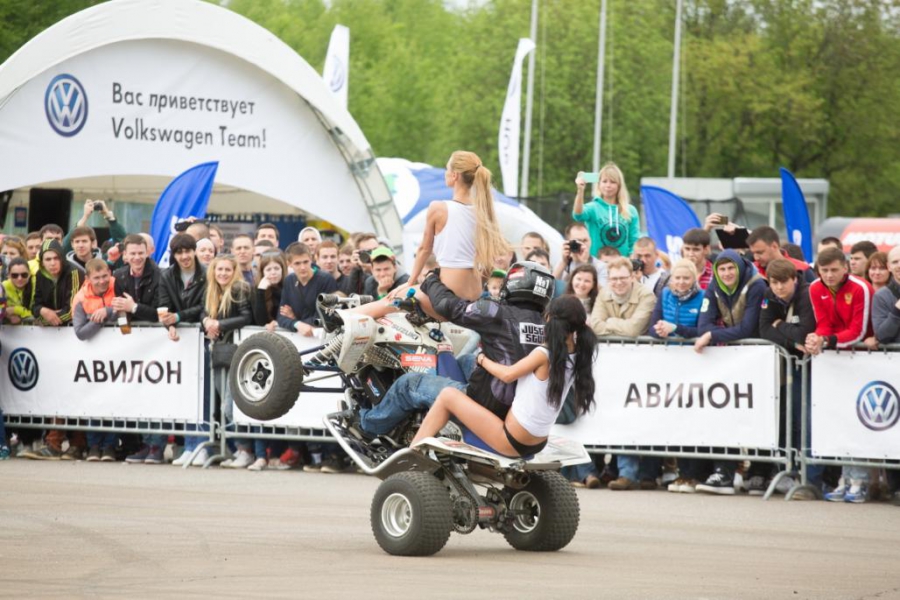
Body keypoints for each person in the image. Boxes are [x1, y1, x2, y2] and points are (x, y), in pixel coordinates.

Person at [355, 262, 552, 437]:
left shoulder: (496, 312)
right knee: (467, 360)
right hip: (515, 404)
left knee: (408, 384)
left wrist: (432, 279)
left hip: (485, 404)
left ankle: (367, 426)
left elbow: (448, 306)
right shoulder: (545, 324)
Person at [411, 295, 596, 458]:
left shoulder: (544, 354)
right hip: (539, 440)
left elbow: (507, 375)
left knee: (447, 395)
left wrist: (482, 359)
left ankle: (413, 453)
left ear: (550, 319)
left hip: (512, 439)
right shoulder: (578, 354)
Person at [693, 249, 767, 495]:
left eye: (730, 268)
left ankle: (760, 472)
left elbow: (749, 328)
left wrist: (714, 335)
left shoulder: (756, 285)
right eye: (721, 269)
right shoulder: (714, 285)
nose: (725, 273)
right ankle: (724, 471)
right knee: (727, 413)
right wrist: (711, 332)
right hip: (734, 359)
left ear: (739, 267)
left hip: (760, 357)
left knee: (762, 414)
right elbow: (703, 324)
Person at [392, 150, 509, 304]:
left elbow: (424, 249)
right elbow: (487, 264)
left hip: (449, 294)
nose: (445, 173)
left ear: (454, 175)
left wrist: (410, 281)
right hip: (475, 292)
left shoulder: (439, 208)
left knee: (390, 300)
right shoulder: (483, 211)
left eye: (447, 169)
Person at [806, 248, 875, 503]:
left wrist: (827, 340)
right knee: (841, 418)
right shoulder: (815, 287)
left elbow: (858, 330)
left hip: (862, 359)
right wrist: (818, 337)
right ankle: (844, 479)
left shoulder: (860, 288)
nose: (829, 275)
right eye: (824, 271)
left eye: (834, 270)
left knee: (862, 419)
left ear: (845, 267)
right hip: (836, 359)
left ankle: (860, 480)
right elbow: (823, 322)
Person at [757, 258, 820, 497]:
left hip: (811, 365)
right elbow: (763, 329)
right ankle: (788, 470)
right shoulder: (768, 294)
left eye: (784, 282)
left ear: (794, 279)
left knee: (805, 419)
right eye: (774, 282)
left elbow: (806, 332)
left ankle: (811, 477)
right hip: (788, 363)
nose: (779, 287)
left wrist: (779, 324)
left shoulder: (806, 294)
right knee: (787, 417)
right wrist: (791, 339)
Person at [201, 255, 254, 468]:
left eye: (227, 270)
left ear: (234, 272)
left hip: (236, 354)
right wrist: (206, 320)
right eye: (219, 269)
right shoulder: (211, 290)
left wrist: (219, 324)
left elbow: (246, 317)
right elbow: (202, 312)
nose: (222, 273)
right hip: (218, 354)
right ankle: (233, 449)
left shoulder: (239, 289)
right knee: (223, 406)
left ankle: (245, 450)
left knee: (232, 407)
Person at [71, 259, 122, 463]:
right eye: (96, 278)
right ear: (88, 278)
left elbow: (124, 313)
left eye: (104, 276)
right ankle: (93, 444)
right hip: (93, 359)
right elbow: (80, 332)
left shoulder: (119, 286)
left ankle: (109, 444)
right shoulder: (81, 298)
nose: (102, 281)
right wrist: (100, 319)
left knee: (114, 399)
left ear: (109, 273)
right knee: (95, 398)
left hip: (119, 355)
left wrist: (108, 311)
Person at [573, 162, 640, 258]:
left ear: (619, 185)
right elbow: (578, 215)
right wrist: (580, 191)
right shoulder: (593, 208)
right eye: (604, 181)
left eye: (612, 182)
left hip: (621, 266)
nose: (608, 185)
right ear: (599, 184)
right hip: (597, 263)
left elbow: (634, 240)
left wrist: (631, 260)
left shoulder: (630, 210)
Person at [277, 242, 338, 336]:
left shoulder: (326, 279)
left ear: (311, 259)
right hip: (297, 336)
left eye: (306, 262)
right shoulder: (289, 280)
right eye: (297, 263)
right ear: (289, 264)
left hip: (322, 337)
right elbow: (281, 316)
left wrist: (294, 319)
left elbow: (325, 317)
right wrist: (296, 324)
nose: (303, 267)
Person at [157, 233, 207, 344]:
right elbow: (164, 306)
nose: (184, 256)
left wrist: (179, 316)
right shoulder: (166, 275)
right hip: (178, 336)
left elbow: (205, 306)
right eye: (179, 252)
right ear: (174, 255)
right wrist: (170, 325)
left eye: (187, 251)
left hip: (203, 334)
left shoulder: (208, 274)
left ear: (194, 251)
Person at [590, 257, 655, 338]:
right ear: (608, 279)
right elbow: (595, 326)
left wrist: (609, 321)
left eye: (623, 278)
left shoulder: (646, 295)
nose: (619, 282)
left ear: (632, 277)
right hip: (609, 348)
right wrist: (624, 328)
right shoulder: (603, 293)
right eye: (614, 278)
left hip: (639, 348)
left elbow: (633, 330)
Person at [32, 239, 83, 327]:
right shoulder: (40, 274)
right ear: (42, 262)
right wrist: (43, 310)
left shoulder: (74, 272)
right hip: (49, 333)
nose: (52, 263)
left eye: (56, 258)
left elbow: (72, 310)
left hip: (73, 328)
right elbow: (35, 305)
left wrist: (44, 321)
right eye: (48, 259)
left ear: (62, 258)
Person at [649, 259, 703, 341]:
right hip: (667, 350)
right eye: (677, 278)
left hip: (692, 350)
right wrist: (659, 331)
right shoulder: (664, 293)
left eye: (686, 278)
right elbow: (652, 328)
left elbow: (702, 331)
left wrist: (675, 328)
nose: (681, 282)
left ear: (694, 279)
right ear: (672, 278)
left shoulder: (703, 296)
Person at [113, 234, 160, 324]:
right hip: (130, 333)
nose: (137, 257)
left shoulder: (160, 276)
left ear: (147, 253)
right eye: (133, 253)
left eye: (141, 253)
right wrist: (124, 329)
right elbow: (121, 310)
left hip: (156, 331)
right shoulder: (118, 276)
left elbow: (159, 313)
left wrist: (134, 307)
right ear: (125, 254)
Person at [747, 226, 815, 283]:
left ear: (774, 246)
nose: (756, 257)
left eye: (760, 252)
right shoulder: (750, 270)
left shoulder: (801, 269)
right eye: (753, 253)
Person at [553, 222, 609, 288]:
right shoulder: (562, 264)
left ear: (590, 241)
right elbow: (551, 286)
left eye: (585, 240)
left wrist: (584, 264)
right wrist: (564, 262)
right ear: (568, 243)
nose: (582, 244)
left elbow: (601, 292)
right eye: (578, 241)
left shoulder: (601, 266)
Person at [252, 251, 287, 333]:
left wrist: (278, 322)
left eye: (276, 268)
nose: (273, 273)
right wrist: (261, 291)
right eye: (268, 269)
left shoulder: (290, 287)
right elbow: (260, 321)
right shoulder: (256, 290)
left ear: (282, 269)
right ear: (262, 272)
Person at [873, 246, 900, 345]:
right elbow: (882, 337)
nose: (899, 265)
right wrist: (897, 311)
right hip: (894, 358)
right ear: (889, 267)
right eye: (895, 262)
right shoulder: (881, 296)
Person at [3, 258, 34, 324]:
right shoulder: (3, 287)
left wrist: (15, 310)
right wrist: (7, 315)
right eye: (15, 275)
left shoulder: (36, 285)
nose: (19, 278)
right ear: (8, 275)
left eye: (24, 275)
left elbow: (38, 313)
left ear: (29, 274)